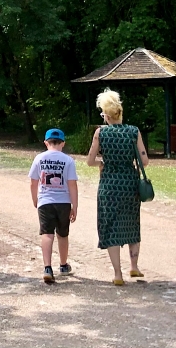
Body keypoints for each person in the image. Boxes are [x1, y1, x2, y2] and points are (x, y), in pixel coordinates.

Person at [87, 88, 149, 285]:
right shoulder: (133, 131)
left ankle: (117, 274)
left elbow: (90, 160)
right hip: (130, 184)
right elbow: (144, 161)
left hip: (109, 185)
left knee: (111, 226)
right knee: (131, 223)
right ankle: (134, 267)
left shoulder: (101, 133)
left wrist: (101, 163)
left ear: (106, 114)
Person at [28, 128, 78, 283]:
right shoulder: (68, 160)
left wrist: (35, 199)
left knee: (47, 234)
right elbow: (72, 185)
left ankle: (47, 267)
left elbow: (33, 182)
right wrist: (74, 206)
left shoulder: (39, 158)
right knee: (63, 234)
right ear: (63, 143)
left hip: (45, 201)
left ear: (45, 142)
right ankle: (63, 265)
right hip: (63, 201)